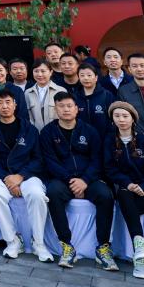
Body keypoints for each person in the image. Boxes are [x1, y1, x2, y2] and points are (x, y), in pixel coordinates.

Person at [39, 92, 117, 270]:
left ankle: (103, 247)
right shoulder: (47, 132)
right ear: (55, 109)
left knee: (106, 195)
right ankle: (66, 245)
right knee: (53, 193)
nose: (65, 109)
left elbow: (97, 159)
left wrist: (85, 180)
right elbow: (50, 162)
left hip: (88, 179)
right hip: (62, 179)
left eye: (69, 106)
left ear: (76, 109)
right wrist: (71, 181)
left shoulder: (89, 131)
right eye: (61, 106)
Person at [0, 88, 51, 262]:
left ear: (15, 104)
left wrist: (20, 176)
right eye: (0, 103)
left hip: (27, 175)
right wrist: (8, 180)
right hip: (1, 175)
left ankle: (38, 243)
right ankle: (13, 240)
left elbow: (38, 159)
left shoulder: (29, 129)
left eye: (8, 102)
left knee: (37, 194)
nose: (4, 106)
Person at [103, 101, 144, 279]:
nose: (121, 120)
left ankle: (140, 251)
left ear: (133, 119)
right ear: (112, 119)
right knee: (124, 193)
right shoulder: (110, 140)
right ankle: (140, 255)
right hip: (127, 190)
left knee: (127, 203)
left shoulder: (143, 140)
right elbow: (110, 169)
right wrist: (128, 184)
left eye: (125, 116)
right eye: (117, 116)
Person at [74, 63, 114, 139]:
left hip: (103, 138)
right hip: (82, 139)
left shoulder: (107, 95)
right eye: (82, 75)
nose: (86, 78)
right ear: (78, 78)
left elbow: (112, 120)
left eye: (89, 75)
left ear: (96, 77)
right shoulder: (75, 96)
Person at [25, 60, 65, 131]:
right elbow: (28, 117)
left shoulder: (61, 91)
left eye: (43, 71)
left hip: (56, 133)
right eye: (36, 71)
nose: (39, 74)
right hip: (35, 133)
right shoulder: (28, 93)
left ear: (51, 72)